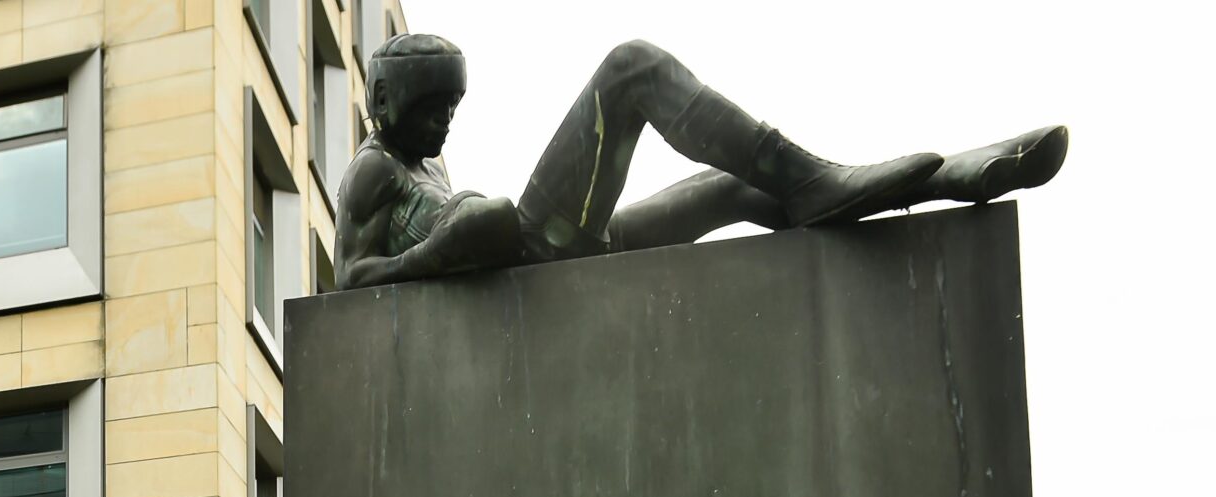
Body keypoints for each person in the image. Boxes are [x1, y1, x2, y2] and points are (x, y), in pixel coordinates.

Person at [333, 33, 1069, 288]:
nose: (445, 124)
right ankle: (816, 182)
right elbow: (352, 279)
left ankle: (942, 180)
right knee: (631, 69)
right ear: (386, 101)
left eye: (452, 108)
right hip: (532, 252)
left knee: (728, 189)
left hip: (552, 247)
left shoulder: (426, 164)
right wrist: (450, 246)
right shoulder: (373, 169)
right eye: (431, 110)